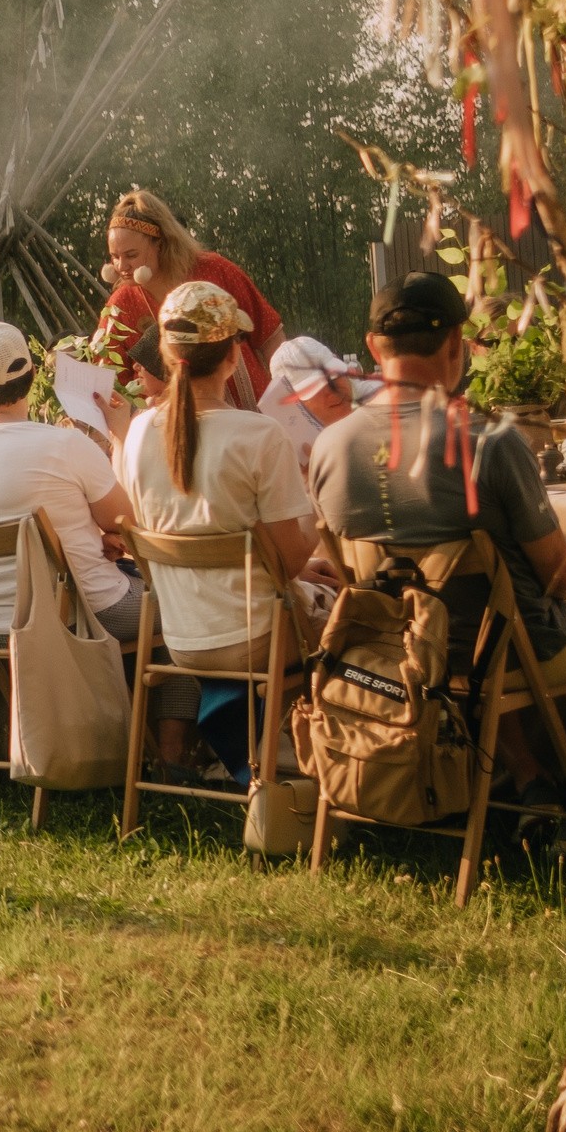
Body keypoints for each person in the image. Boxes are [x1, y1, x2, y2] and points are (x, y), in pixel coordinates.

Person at [307, 273, 566, 807]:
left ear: (374, 347)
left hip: (388, 650)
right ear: (455, 345)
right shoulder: (491, 442)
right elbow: (559, 578)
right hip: (507, 653)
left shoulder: (329, 446)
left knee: (482, 607)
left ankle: (528, 770)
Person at [0, 323, 196, 766]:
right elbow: (133, 523)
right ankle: (171, 758)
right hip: (76, 615)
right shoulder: (65, 443)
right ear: (32, 378)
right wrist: (118, 436)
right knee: (185, 611)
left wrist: (92, 537)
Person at [117, 283, 319, 779]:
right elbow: (290, 563)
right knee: (354, 620)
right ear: (233, 355)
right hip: (258, 636)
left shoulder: (138, 432)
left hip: (181, 637)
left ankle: (246, 759)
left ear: (165, 355)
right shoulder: (259, 435)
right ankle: (307, 767)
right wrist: (315, 511)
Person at [94, 189, 287, 407]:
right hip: (178, 431)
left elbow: (270, 335)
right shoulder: (120, 306)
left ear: (161, 243)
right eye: (114, 256)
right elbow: (110, 381)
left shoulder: (215, 269)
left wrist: (288, 393)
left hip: (256, 411)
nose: (121, 267)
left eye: (131, 255)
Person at [259, 336, 381, 474]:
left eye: (335, 375)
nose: (334, 389)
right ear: (296, 405)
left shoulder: (380, 401)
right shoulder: (286, 454)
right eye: (317, 386)